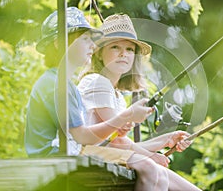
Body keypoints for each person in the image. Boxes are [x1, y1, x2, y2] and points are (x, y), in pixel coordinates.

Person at [78, 14, 201, 191]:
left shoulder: (116, 94)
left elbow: (119, 141)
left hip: (105, 151)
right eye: (115, 47)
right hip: (86, 152)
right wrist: (150, 156)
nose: (123, 54)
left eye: (129, 49)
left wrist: (166, 139)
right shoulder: (97, 82)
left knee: (160, 174)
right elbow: (117, 142)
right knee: (153, 169)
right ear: (99, 53)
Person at [24, 7, 152, 157]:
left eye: (130, 49)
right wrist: (127, 116)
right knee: (142, 165)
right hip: (53, 159)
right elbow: (82, 137)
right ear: (59, 43)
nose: (92, 45)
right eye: (85, 39)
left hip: (69, 155)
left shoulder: (67, 85)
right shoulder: (53, 84)